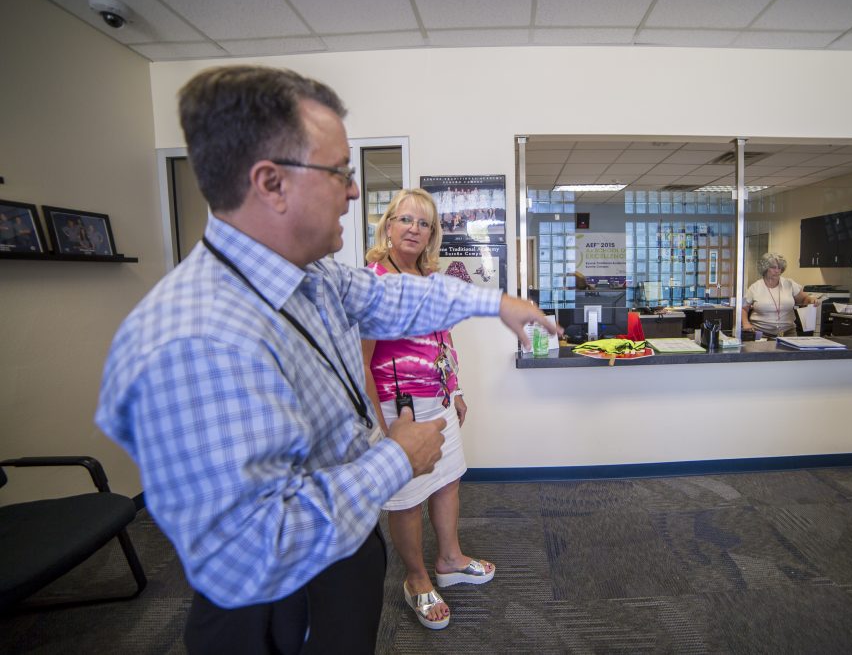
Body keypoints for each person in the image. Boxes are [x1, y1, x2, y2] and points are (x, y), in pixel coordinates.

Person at [94, 65, 557, 655]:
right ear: (270, 183)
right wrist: (394, 457)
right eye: (340, 172)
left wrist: (495, 302)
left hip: (341, 550)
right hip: (278, 603)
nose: (356, 191)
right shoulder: (196, 338)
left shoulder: (309, 275)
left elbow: (392, 296)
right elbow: (257, 542)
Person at [361, 188, 492, 631]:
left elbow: (443, 339)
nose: (414, 229)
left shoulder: (430, 275)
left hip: (437, 399)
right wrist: (380, 430)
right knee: (407, 499)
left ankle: (450, 560)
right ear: (389, 225)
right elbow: (360, 361)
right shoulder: (374, 281)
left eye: (423, 223)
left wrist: (455, 390)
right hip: (399, 409)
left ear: (432, 233)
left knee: (448, 481)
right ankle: (416, 579)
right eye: (405, 220)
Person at [741, 252, 817, 337]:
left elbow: (804, 299)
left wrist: (811, 300)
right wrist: (746, 323)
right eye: (773, 267)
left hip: (788, 332)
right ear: (765, 268)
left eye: (779, 268)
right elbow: (744, 308)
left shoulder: (789, 284)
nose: (777, 271)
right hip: (761, 333)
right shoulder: (755, 287)